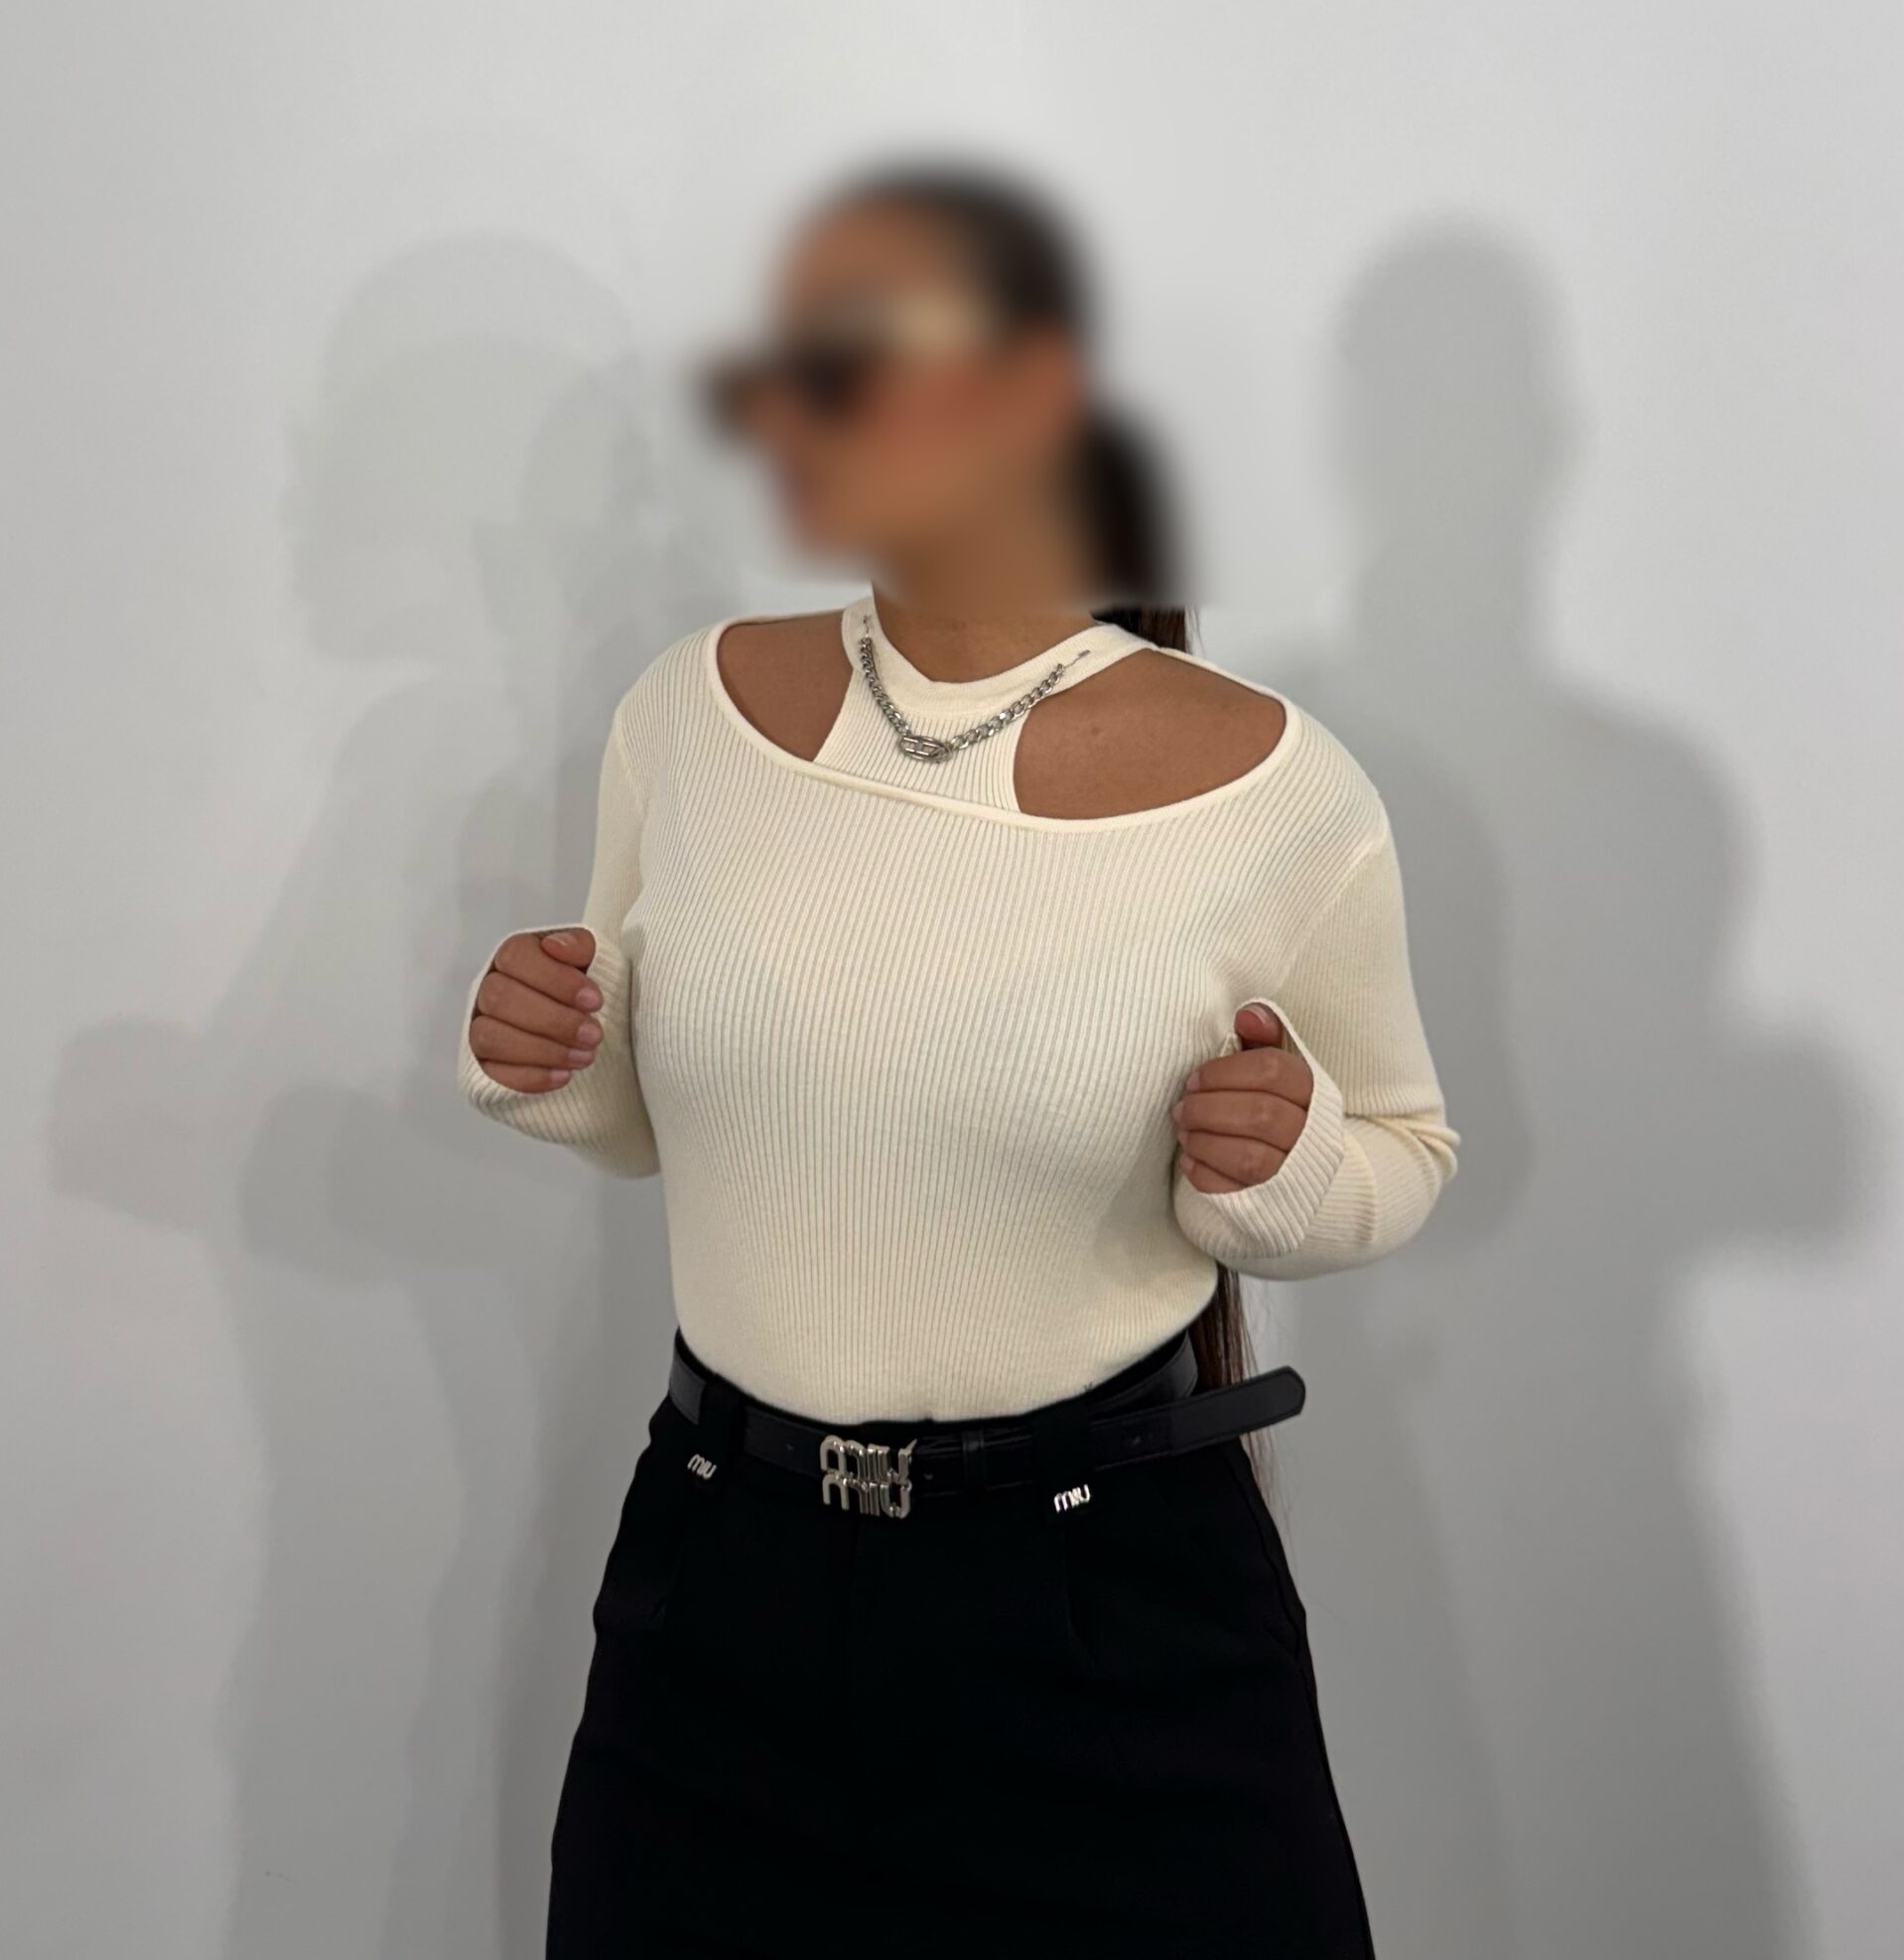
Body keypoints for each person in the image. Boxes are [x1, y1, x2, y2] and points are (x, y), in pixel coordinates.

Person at [456, 159, 1459, 1957]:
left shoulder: (1275, 790)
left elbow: (1405, 1146)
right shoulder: (688, 713)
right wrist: (548, 1056)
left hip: (1114, 1624)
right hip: (717, 1613)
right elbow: (649, 1106)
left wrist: (1294, 1160)